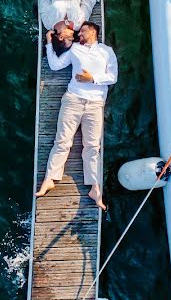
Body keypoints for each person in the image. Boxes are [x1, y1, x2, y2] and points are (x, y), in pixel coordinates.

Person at [35, 21, 117, 210]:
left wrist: (93, 79)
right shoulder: (75, 50)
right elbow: (55, 65)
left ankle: (95, 188)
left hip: (95, 104)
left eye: (83, 32)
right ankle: (50, 178)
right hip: (73, 99)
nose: (79, 35)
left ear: (94, 31)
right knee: (62, 141)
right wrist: (49, 42)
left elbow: (113, 76)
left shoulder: (106, 51)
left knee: (92, 146)